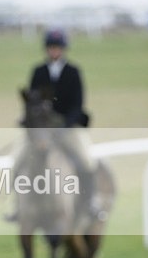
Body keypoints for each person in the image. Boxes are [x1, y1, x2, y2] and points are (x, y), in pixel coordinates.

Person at [10, 28, 100, 221]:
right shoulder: (38, 71)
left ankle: (91, 202)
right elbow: (32, 101)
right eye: (51, 47)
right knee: (18, 160)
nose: (54, 50)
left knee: (86, 159)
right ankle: (18, 206)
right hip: (42, 130)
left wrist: (64, 126)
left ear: (63, 49)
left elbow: (77, 105)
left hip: (68, 127)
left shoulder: (73, 72)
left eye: (57, 47)